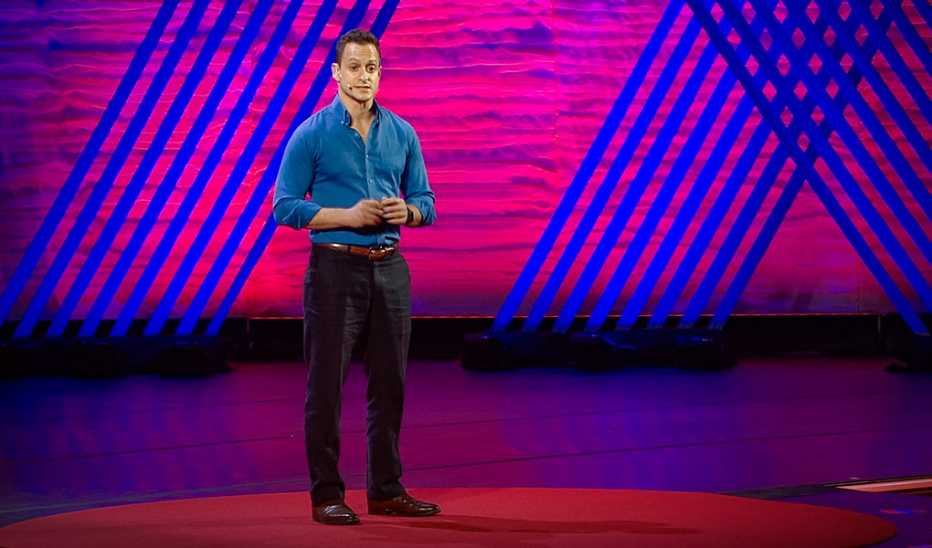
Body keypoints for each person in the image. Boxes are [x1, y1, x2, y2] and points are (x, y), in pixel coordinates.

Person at [272, 29, 439, 526]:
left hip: (390, 267)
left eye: (372, 67)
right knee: (326, 387)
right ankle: (326, 494)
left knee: (390, 386)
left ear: (380, 73)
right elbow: (284, 206)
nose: (364, 76)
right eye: (354, 67)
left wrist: (408, 213)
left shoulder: (402, 132)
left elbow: (426, 201)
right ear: (336, 73)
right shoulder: (311, 133)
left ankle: (386, 490)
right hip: (334, 269)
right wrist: (348, 215)